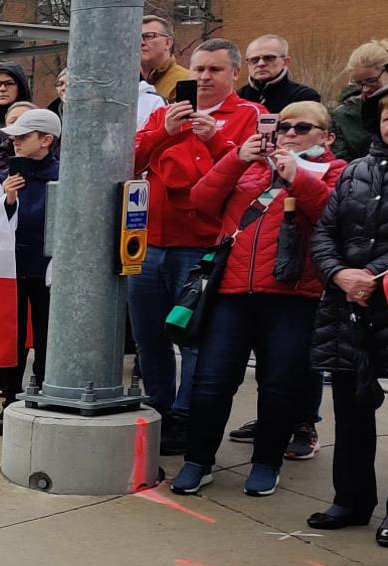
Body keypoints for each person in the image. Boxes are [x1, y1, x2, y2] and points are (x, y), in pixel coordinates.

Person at [167, 101, 345, 496]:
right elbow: (201, 200)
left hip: (293, 295)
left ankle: (267, 461)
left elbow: (333, 216)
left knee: (280, 383)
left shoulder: (334, 171)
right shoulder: (252, 165)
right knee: (212, 380)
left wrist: (299, 177)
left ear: (327, 137)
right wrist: (234, 157)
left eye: (303, 128)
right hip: (232, 291)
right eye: (284, 127)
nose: (291, 135)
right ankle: (199, 460)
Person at [133, 38, 266, 455]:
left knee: (193, 338)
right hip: (151, 243)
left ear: (234, 74)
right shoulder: (163, 113)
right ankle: (159, 407)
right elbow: (127, 161)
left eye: (214, 70)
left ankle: (185, 417)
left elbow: (254, 179)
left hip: (203, 246)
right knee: (148, 335)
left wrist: (213, 141)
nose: (204, 78)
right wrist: (162, 132)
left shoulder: (250, 115)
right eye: (199, 69)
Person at [306, 80, 388, 546]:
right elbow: (324, 232)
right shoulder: (355, 171)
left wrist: (371, 276)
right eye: (387, 115)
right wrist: (340, 274)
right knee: (351, 407)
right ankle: (352, 499)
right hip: (350, 309)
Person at [0, 108, 61, 435]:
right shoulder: (4, 177)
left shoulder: (63, 176)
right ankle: (9, 398)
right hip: (10, 273)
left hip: (46, 272)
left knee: (45, 336)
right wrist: (8, 200)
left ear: (46, 140)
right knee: (11, 337)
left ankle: (40, 390)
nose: (15, 143)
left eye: (23, 137)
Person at [332, 40, 388, 162]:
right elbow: (340, 163)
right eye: (359, 83)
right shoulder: (344, 116)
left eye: (371, 80)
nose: (365, 89)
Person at [239, 35, 322, 114]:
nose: (261, 63)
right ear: (248, 64)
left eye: (269, 58)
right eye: (254, 60)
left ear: (285, 62)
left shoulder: (303, 97)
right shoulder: (238, 97)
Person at [141, 15, 193, 102]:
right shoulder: (124, 81)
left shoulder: (185, 81)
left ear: (168, 43)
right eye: (136, 37)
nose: (141, 42)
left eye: (148, 36)